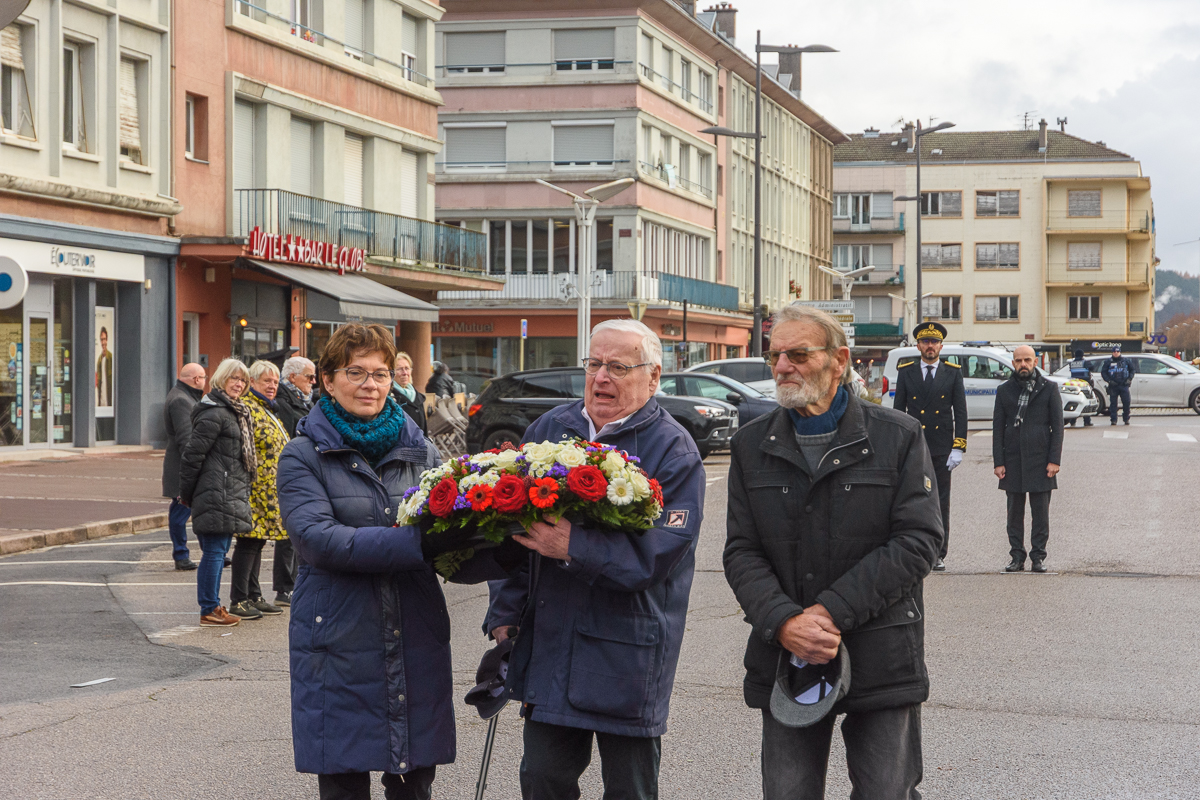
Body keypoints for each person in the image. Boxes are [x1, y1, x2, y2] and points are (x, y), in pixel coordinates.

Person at [724, 304, 942, 800]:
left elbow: (919, 541)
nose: (782, 367)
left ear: (839, 360)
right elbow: (741, 550)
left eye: (798, 355)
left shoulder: (898, 436)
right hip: (789, 656)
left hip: (882, 651)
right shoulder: (751, 444)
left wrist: (827, 613)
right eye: (775, 356)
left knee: (886, 792)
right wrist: (784, 622)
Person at [484, 319, 706, 800]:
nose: (601, 377)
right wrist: (504, 612)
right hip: (550, 643)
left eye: (618, 367)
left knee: (630, 789)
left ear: (653, 377)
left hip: (627, 650)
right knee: (542, 780)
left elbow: (657, 557)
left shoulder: (673, 449)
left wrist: (573, 547)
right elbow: (513, 530)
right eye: (594, 364)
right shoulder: (550, 429)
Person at [277, 323, 453, 800]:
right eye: (355, 372)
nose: (370, 384)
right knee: (343, 781)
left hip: (414, 632)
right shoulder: (303, 455)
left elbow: (453, 536)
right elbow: (319, 540)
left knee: (414, 782)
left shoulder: (421, 452)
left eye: (380, 373)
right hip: (337, 637)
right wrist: (419, 544)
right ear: (328, 380)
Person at [178, 358, 256, 628]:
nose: (239, 384)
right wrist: (186, 494)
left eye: (243, 380)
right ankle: (209, 608)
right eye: (234, 378)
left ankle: (212, 606)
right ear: (221, 379)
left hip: (227, 491)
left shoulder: (234, 410)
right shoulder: (215, 412)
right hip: (216, 491)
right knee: (214, 552)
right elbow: (192, 455)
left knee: (218, 551)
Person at [892, 321, 967, 571]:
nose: (930, 346)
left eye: (934, 342)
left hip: (942, 447)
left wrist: (958, 446)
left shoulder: (952, 372)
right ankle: (915, 548)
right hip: (915, 446)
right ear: (918, 346)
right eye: (925, 342)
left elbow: (961, 412)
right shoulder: (906, 371)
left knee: (941, 500)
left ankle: (939, 552)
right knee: (913, 498)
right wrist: (898, 445)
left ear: (941, 346)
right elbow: (899, 411)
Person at [227, 361, 291, 620]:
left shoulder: (267, 408)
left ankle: (254, 595)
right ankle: (239, 599)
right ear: (252, 382)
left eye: (275, 381)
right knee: (248, 542)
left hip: (269, 490)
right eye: (267, 381)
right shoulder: (248, 408)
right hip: (254, 488)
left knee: (258, 541)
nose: (272, 386)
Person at [993, 345, 1064, 573]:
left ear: (1035, 362)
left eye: (1027, 360)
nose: (1023, 364)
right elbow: (998, 429)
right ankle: (1016, 556)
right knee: (1014, 513)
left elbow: (1058, 428)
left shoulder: (1049, 389)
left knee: (1040, 513)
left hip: (1041, 460)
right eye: (1018, 360)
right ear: (1013, 363)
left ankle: (1038, 556)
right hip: (1013, 460)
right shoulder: (1004, 390)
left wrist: (1054, 460)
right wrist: (998, 462)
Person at [162, 362, 206, 571]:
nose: (205, 382)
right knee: (181, 511)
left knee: (201, 509)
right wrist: (195, 465)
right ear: (196, 379)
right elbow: (186, 438)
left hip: (185, 466)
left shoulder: (185, 396)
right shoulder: (181, 399)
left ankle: (211, 551)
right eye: (203, 378)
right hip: (183, 468)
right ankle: (181, 555)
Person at [276, 356, 317, 439]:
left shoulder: (307, 401)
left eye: (314, 377)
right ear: (293, 377)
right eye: (310, 377)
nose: (313, 381)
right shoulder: (281, 402)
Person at [389, 351, 428, 434]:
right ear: (392, 373)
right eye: (399, 369)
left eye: (407, 368)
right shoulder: (389, 397)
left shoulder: (417, 397)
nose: (405, 373)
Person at [1101, 345, 1135, 426]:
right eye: (1114, 352)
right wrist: (1109, 381)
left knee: (1126, 402)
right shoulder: (1108, 362)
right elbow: (1103, 372)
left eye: (1117, 351)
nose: (1116, 353)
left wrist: (1129, 379)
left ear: (1120, 352)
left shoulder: (1126, 361)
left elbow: (1132, 370)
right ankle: (1113, 420)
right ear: (1112, 353)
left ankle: (1126, 418)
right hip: (1113, 386)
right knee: (1113, 404)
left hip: (1124, 385)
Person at [1066, 349, 1096, 427]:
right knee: (1086, 403)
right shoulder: (1085, 362)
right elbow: (1092, 368)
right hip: (1084, 385)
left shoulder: (1072, 363)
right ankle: (1087, 421)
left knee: (1075, 402)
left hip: (1075, 385)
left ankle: (1072, 421)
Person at [96, 327, 113, 407]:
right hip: (101, 402)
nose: (103, 342)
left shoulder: (111, 358)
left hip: (110, 403)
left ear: (107, 340)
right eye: (101, 339)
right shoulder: (99, 361)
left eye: (104, 339)